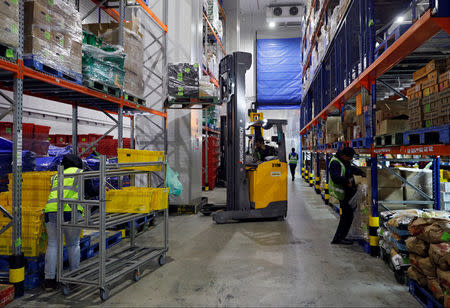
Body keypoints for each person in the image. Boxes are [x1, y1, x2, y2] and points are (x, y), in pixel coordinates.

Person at [44, 154, 85, 291]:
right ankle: (73, 277)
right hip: (69, 211)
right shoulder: (80, 173)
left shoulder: (56, 176)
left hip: (50, 211)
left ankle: (49, 280)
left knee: (53, 244)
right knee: (73, 244)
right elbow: (90, 190)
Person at [329, 147, 366, 245]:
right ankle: (338, 239)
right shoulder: (335, 163)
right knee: (346, 217)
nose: (350, 160)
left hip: (348, 193)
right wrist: (346, 182)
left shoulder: (343, 160)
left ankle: (341, 237)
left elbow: (350, 168)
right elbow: (335, 178)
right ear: (344, 156)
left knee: (348, 217)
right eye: (350, 158)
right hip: (343, 193)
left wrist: (360, 172)